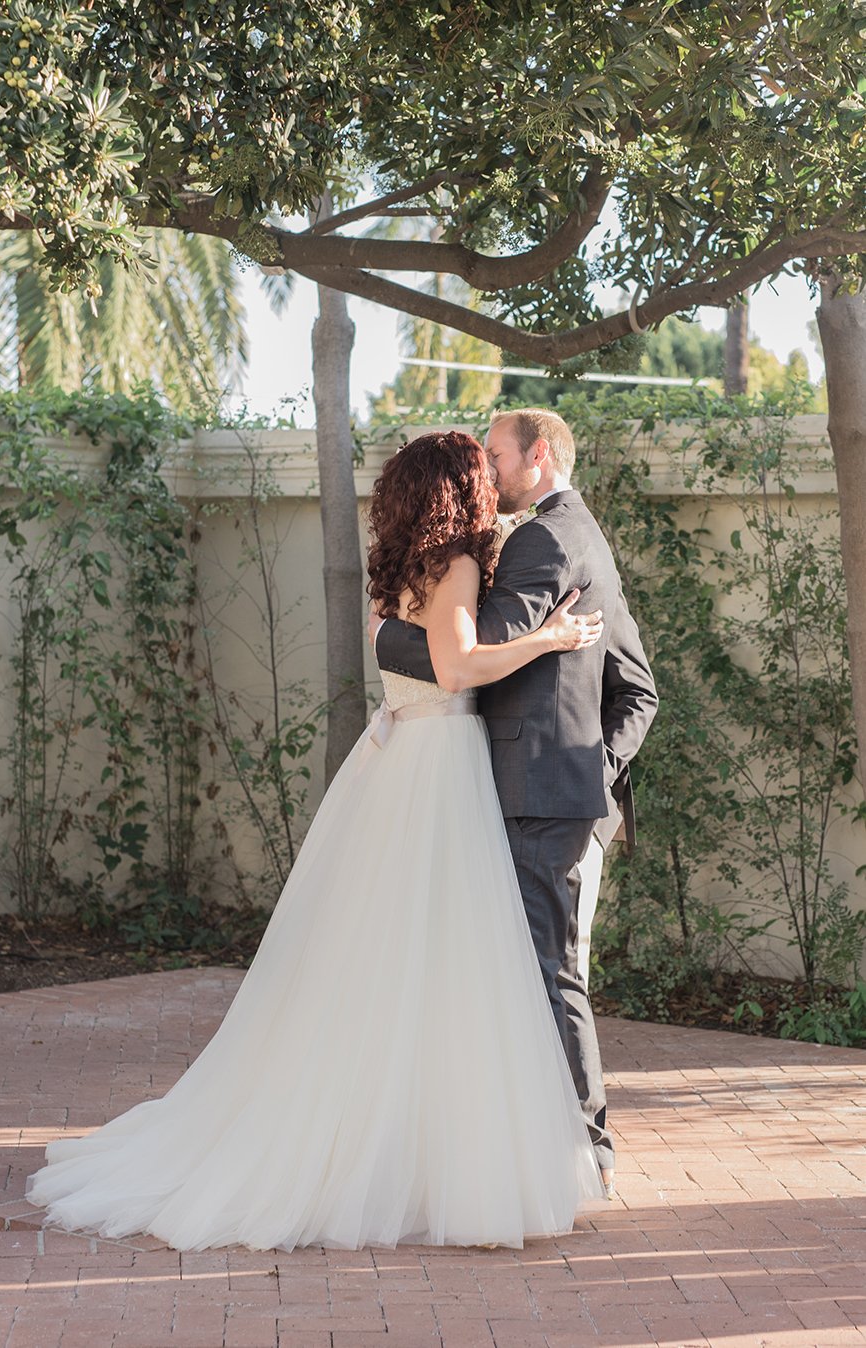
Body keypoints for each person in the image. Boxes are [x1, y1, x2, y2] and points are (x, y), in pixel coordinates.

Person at [25, 430, 607, 1254]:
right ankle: (424, 1155)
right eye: (479, 472)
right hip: (439, 769)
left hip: (398, 761)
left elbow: (401, 650)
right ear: (459, 489)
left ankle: (391, 1138)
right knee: (450, 963)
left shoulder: (403, 568)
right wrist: (549, 639)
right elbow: (456, 667)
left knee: (379, 963)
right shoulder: (462, 566)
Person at [373, 409, 658, 1198]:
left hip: (539, 799)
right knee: (520, 971)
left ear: (537, 454)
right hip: (539, 795)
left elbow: (463, 658)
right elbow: (640, 688)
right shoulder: (578, 534)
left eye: (496, 455)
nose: (489, 471)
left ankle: (586, 1154)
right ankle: (533, 1146)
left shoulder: (541, 540)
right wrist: (593, 778)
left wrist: (383, 635)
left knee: (546, 971)